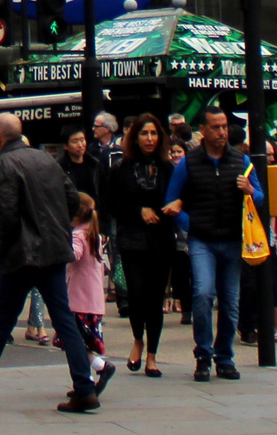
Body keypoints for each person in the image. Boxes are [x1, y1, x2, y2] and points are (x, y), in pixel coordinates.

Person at [0, 112, 103, 412]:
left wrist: (15, 241)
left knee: (3, 320)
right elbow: (72, 200)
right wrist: (55, 226)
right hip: (53, 249)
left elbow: (6, 213)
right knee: (63, 317)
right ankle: (84, 385)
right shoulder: (46, 160)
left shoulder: (5, 163)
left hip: (22, 253)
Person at [165, 105, 260, 383]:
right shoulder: (188, 163)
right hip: (203, 240)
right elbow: (170, 201)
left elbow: (262, 198)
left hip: (232, 240)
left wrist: (251, 191)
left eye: (224, 127)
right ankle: (203, 354)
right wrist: (190, 224)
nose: (222, 132)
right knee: (203, 294)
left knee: (231, 303)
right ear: (202, 131)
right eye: (216, 127)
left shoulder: (240, 161)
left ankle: (224, 356)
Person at [105, 111, 177, 377]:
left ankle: (152, 355)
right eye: (144, 133)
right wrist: (138, 211)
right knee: (136, 295)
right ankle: (137, 339)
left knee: (155, 298)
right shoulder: (121, 168)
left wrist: (175, 205)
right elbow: (111, 203)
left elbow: (181, 196)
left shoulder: (168, 169)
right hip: (132, 238)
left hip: (161, 239)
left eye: (154, 133)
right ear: (135, 137)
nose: (149, 138)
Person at [63, 191, 109, 384]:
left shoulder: (79, 236)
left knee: (73, 342)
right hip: (94, 301)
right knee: (83, 343)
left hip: (78, 301)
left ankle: (100, 367)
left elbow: (73, 255)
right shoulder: (94, 235)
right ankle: (86, 379)